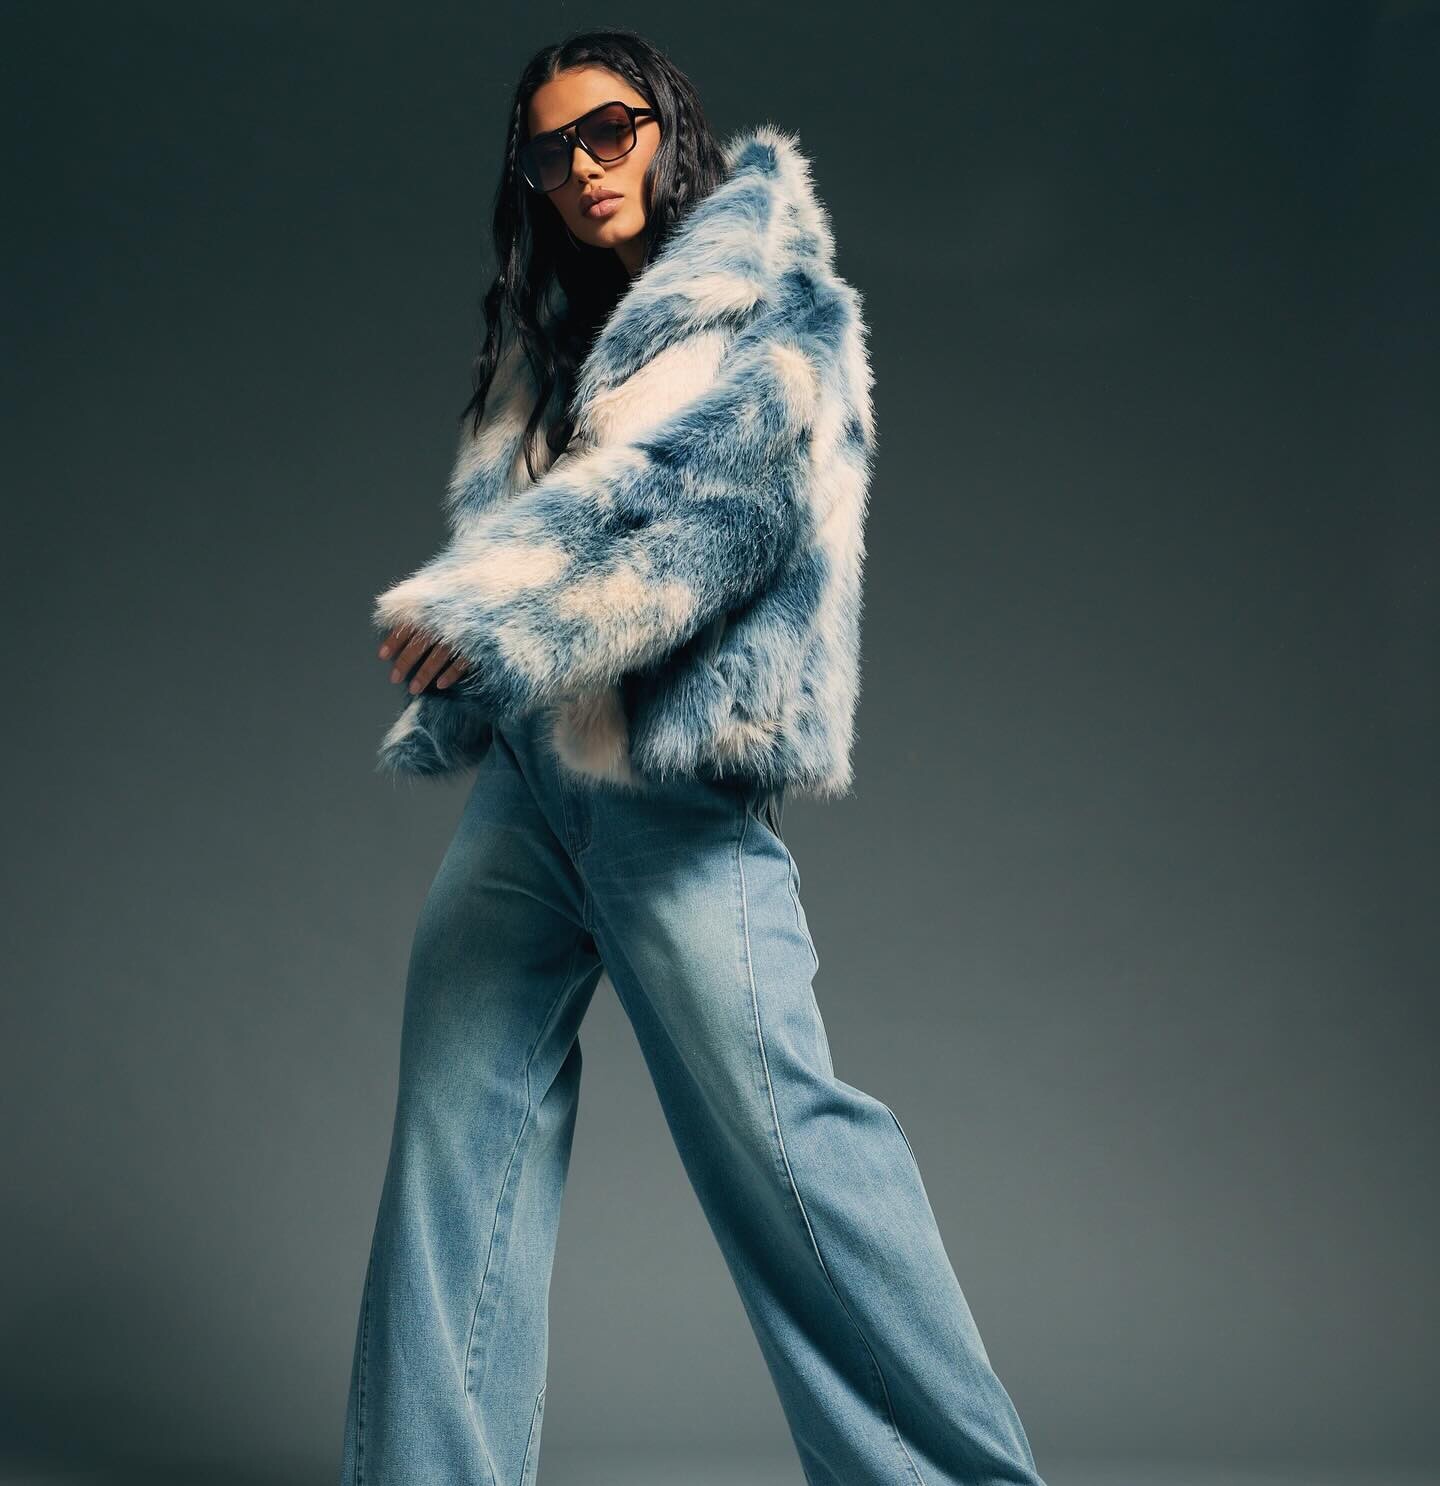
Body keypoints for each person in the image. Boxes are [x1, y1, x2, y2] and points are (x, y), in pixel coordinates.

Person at [341, 26, 1047, 1486]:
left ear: (666, 124)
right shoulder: (552, 343)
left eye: (609, 130)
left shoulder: (772, 305)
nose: (584, 168)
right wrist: (488, 634)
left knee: (786, 1147)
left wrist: (485, 612)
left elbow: (705, 530)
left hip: (671, 780)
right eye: (552, 151)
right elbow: (549, 527)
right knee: (454, 1135)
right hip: (530, 783)